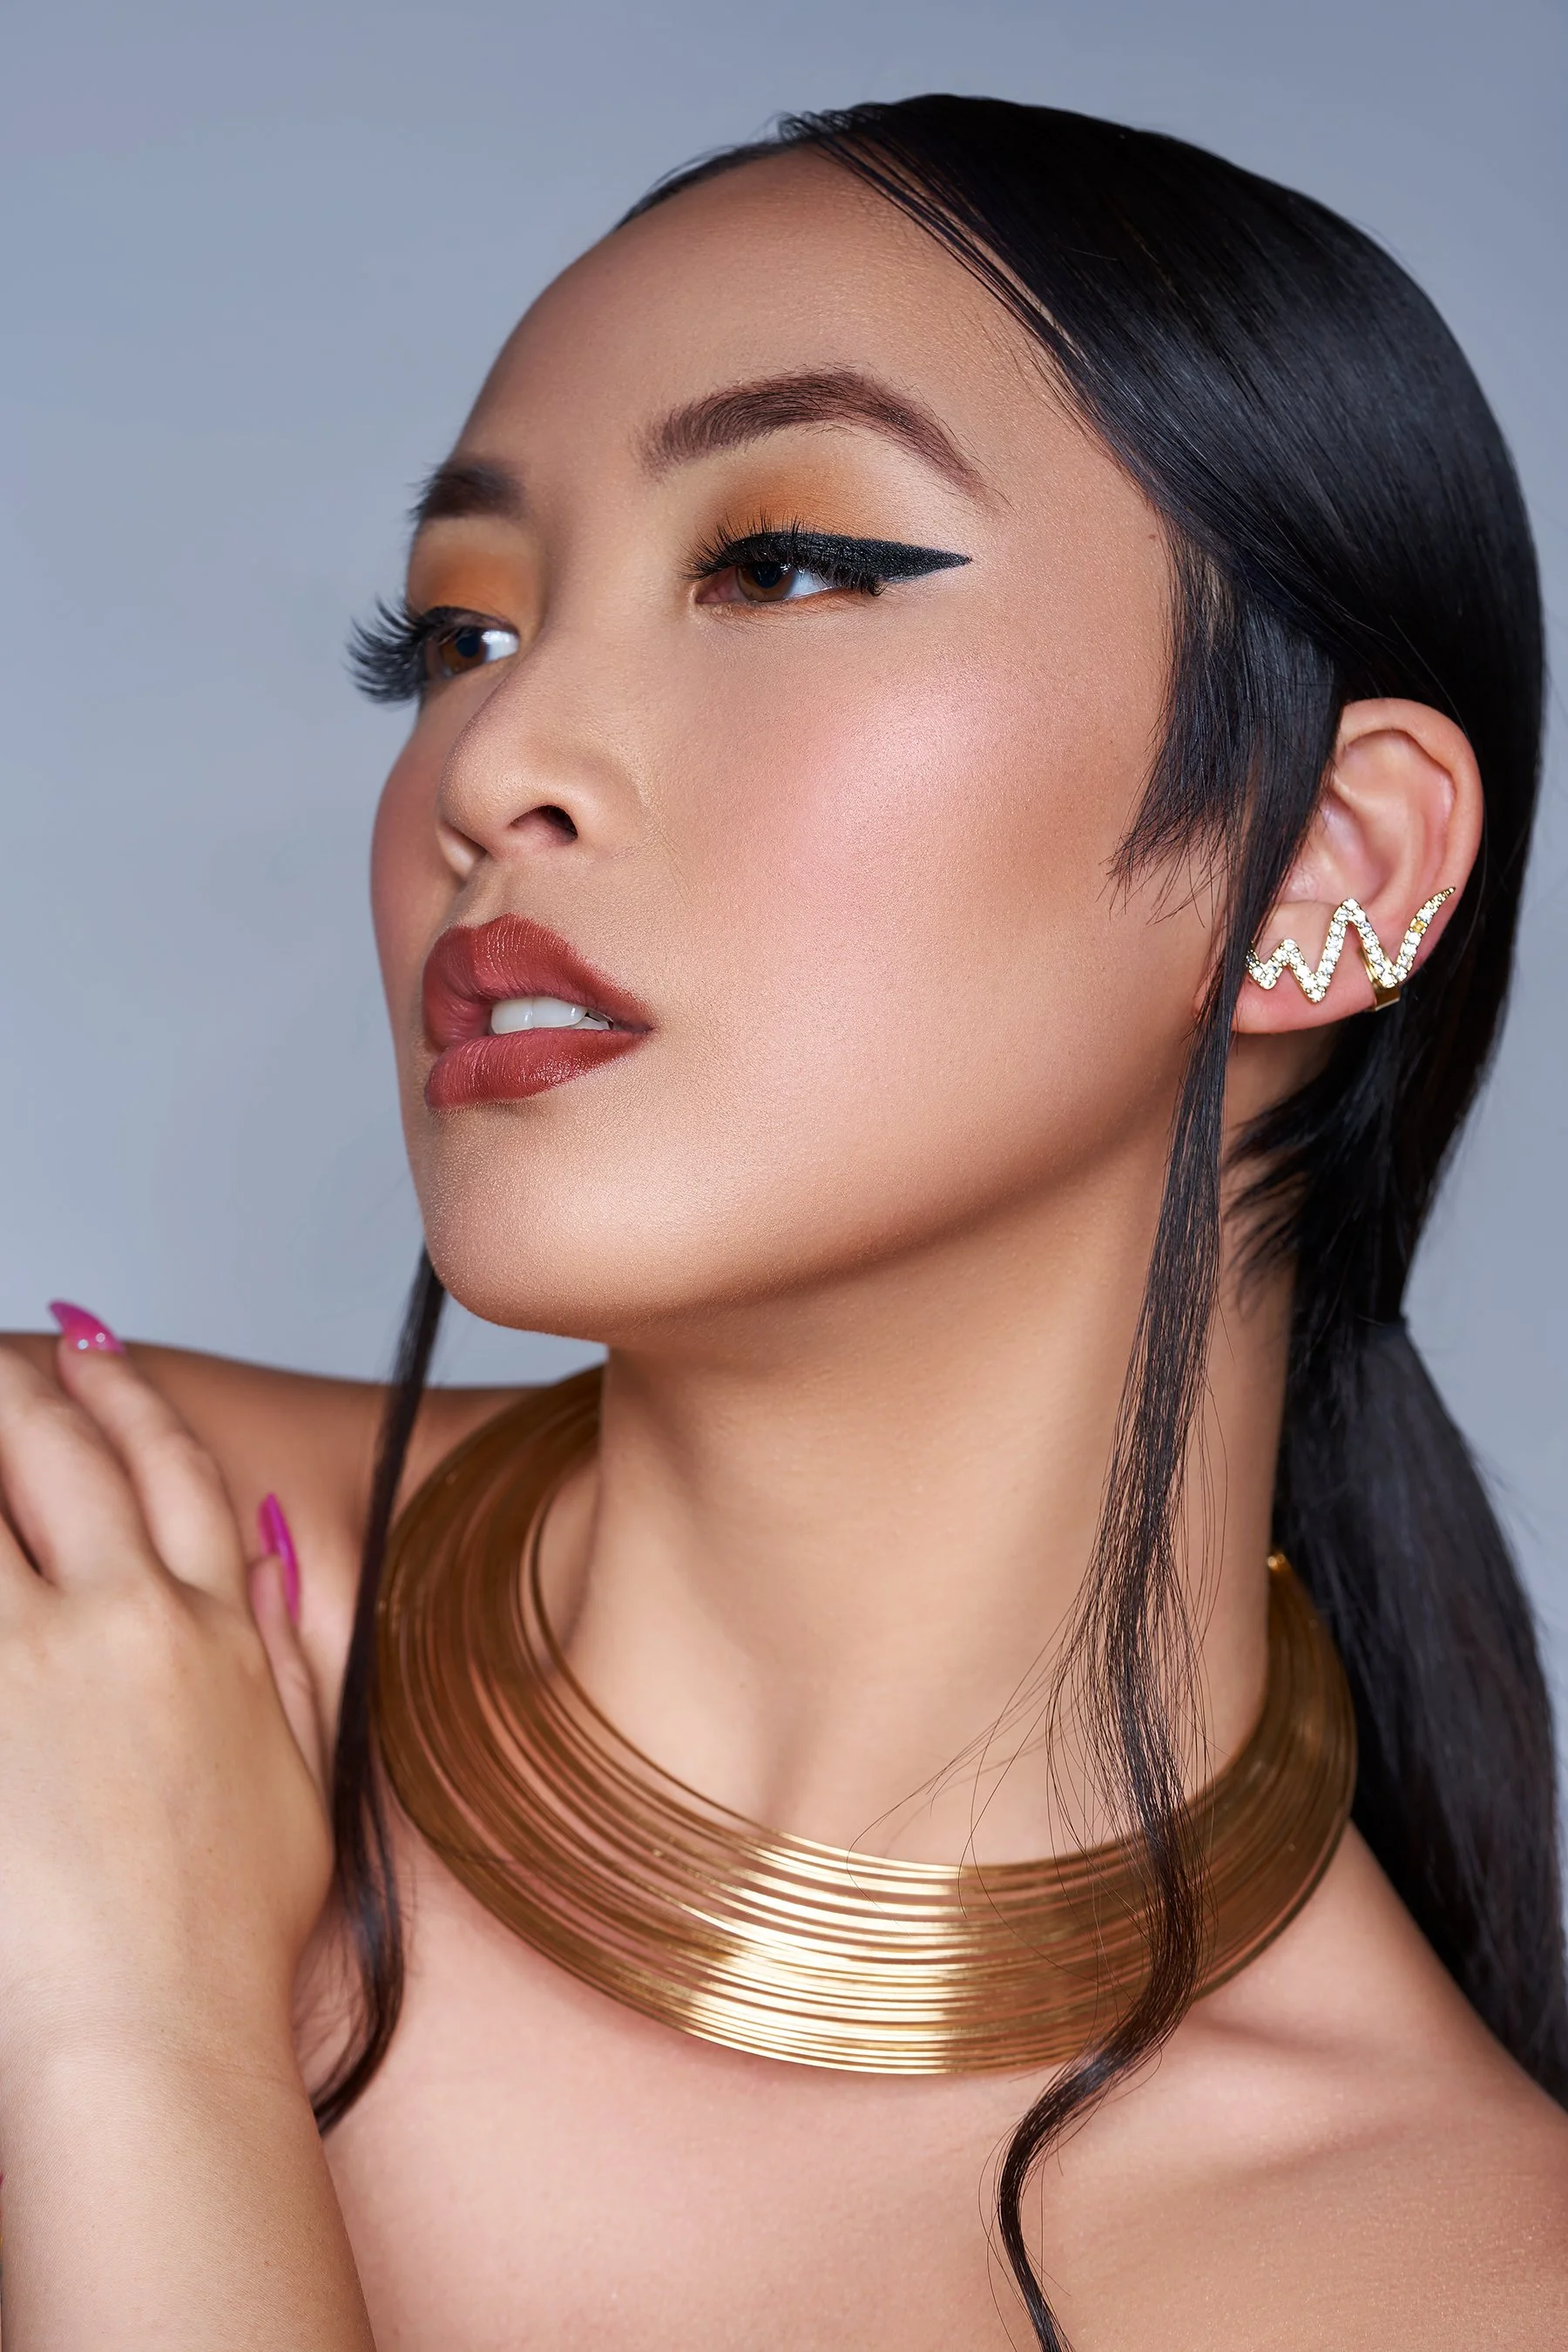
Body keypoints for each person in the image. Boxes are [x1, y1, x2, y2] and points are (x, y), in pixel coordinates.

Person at [0, 95, 1564, 2352]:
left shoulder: (1462, 2283)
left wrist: (133, 2055)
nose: (495, 750)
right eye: (450, 631)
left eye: (792, 564)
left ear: (1330, 864)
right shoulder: (63, 1597)